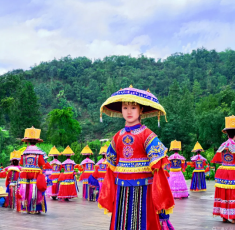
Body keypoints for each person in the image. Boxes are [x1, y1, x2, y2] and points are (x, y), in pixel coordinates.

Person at [98, 86, 174, 230]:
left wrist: (159, 193)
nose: (128, 111)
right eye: (125, 107)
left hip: (144, 187)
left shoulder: (147, 135)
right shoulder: (117, 136)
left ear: (141, 110)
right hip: (121, 188)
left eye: (133, 107)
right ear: (121, 110)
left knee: (142, 221)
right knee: (121, 221)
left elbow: (158, 164)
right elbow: (111, 164)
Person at [211, 115, 235, 223]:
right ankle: (233, 216)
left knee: (224, 192)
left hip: (222, 171)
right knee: (232, 193)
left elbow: (216, 159)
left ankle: (224, 216)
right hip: (233, 171)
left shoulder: (223, 145)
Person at [18, 127, 48, 214]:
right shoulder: (39, 153)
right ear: (37, 142)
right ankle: (35, 208)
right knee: (35, 190)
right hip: (35, 173)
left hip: (25, 173)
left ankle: (27, 208)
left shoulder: (24, 152)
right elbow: (43, 164)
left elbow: (21, 163)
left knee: (26, 189)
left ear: (28, 141)